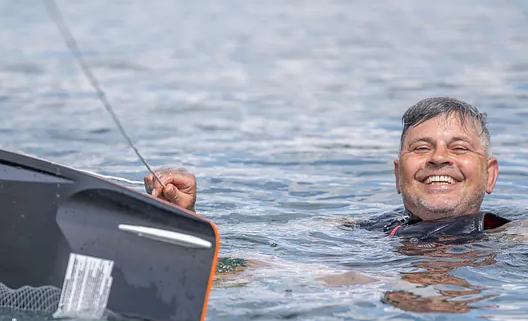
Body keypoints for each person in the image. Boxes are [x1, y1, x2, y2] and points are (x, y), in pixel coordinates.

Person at [144, 97, 511, 241]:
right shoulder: (367, 229)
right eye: (421, 148)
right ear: (398, 176)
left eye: (459, 148)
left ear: (490, 174)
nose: (438, 158)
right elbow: (271, 254)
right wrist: (185, 220)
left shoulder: (504, 238)